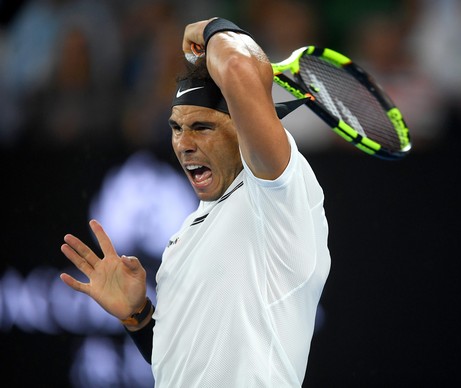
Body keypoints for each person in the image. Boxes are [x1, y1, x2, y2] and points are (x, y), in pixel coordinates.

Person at [59, 17, 331, 387]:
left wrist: (212, 27)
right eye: (176, 127)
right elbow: (181, 365)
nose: (183, 143)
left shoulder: (277, 195)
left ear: (246, 129)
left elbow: (236, 65)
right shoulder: (185, 236)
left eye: (202, 127)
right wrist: (138, 317)